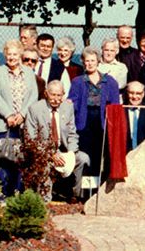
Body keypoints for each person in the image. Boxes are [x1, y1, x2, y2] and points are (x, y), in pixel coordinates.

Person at [24, 80, 90, 201]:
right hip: (43, 152)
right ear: (46, 93)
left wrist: (71, 153)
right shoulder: (35, 109)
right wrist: (51, 154)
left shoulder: (68, 107)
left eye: (59, 95)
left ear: (63, 95)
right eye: (52, 95)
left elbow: (72, 133)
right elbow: (31, 139)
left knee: (83, 158)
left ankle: (76, 196)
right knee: (43, 164)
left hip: (64, 151)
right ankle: (45, 199)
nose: (55, 99)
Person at [0, 40, 39, 197]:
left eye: (15, 54)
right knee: (3, 158)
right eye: (9, 54)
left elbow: (34, 95)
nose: (12, 57)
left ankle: (16, 191)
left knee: (19, 159)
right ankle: (2, 192)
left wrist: (22, 114)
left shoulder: (29, 73)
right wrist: (8, 115)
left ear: (20, 55)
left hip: (23, 124)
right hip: (3, 124)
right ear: (5, 55)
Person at [67, 46, 120, 180]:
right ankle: (83, 189)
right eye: (87, 61)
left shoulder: (110, 81)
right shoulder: (78, 81)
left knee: (98, 155)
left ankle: (96, 188)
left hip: (102, 122)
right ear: (83, 62)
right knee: (85, 155)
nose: (89, 64)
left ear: (98, 62)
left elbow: (115, 106)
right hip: (84, 121)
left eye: (92, 60)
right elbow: (72, 102)